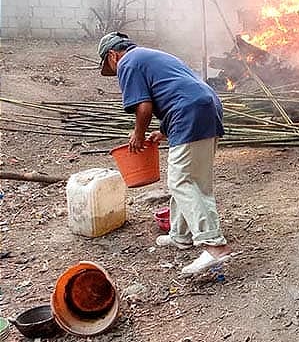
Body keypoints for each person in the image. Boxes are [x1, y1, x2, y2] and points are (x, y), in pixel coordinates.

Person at [98, 32, 232, 275]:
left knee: (180, 180)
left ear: (112, 55)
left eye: (110, 67)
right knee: (194, 179)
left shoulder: (127, 62)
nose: (115, 72)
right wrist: (162, 131)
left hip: (188, 112)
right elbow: (176, 89)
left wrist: (138, 133)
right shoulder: (152, 56)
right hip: (208, 105)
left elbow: (144, 106)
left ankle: (215, 246)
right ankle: (181, 235)